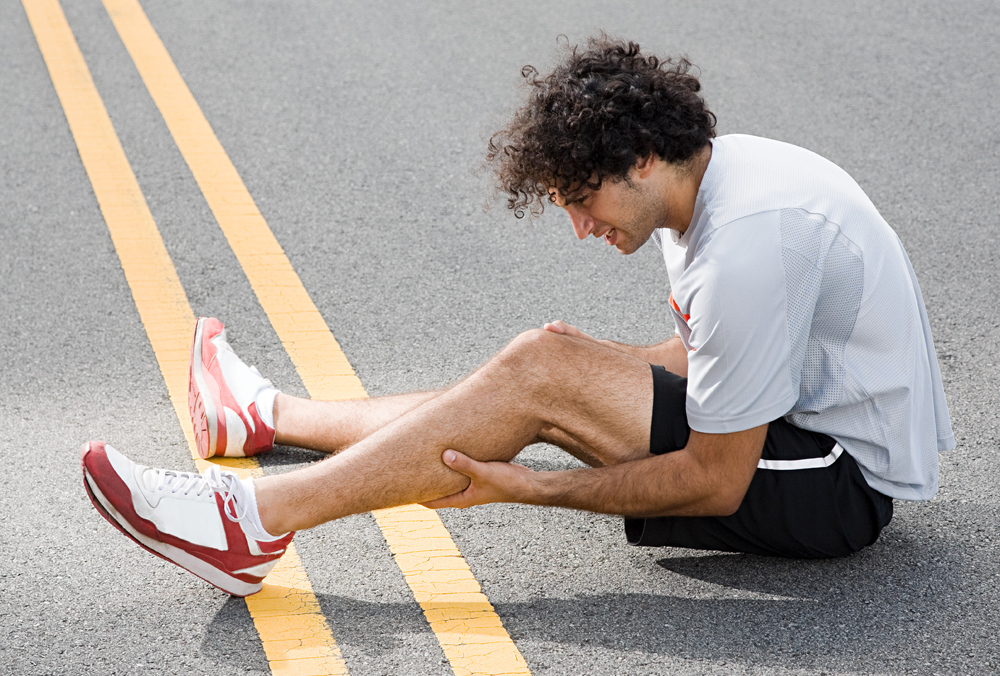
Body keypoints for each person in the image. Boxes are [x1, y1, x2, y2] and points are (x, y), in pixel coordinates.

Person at [81, 37, 954, 597]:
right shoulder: (712, 186)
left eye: (582, 200)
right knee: (536, 370)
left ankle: (252, 522)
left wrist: (533, 485)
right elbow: (710, 356)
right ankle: (265, 416)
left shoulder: (751, 243)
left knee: (540, 374)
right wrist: (589, 370)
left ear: (642, 160)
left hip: (837, 487)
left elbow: (718, 480)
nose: (579, 227)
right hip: (794, 433)